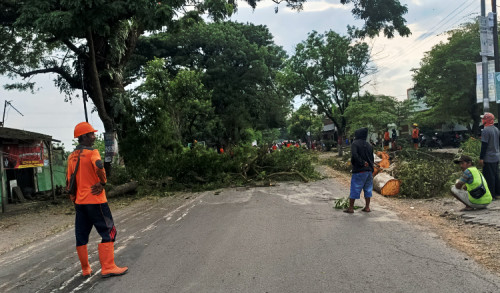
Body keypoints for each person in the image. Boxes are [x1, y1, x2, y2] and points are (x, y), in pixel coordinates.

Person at [67, 122, 128, 278]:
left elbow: (69, 181)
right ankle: (108, 267)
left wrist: (74, 199)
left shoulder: (72, 156)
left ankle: (86, 269)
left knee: (81, 236)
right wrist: (102, 183)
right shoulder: (93, 152)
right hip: (96, 201)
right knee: (109, 232)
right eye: (91, 134)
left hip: (80, 203)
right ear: (84, 136)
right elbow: (99, 166)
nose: (94, 137)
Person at [344, 128, 374, 213]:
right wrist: (371, 168)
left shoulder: (355, 143)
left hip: (359, 170)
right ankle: (367, 207)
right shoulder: (369, 145)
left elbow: (354, 155)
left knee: (355, 188)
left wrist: (362, 163)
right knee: (368, 189)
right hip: (369, 171)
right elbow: (372, 159)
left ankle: (350, 208)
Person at [479, 112, 500, 200]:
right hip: (496, 156)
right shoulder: (496, 129)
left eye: (483, 118)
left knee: (489, 177)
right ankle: (498, 193)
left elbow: (484, 145)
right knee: (496, 175)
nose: (482, 120)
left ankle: (492, 195)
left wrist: (481, 158)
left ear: (486, 120)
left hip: (489, 157)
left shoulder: (486, 130)